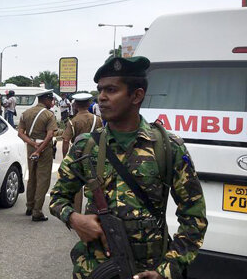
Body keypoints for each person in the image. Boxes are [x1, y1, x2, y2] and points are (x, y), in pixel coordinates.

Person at [49, 56, 207, 279]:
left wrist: (167, 270)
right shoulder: (86, 146)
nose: (101, 98)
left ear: (136, 95)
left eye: (111, 90)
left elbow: (194, 217)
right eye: (100, 90)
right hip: (95, 269)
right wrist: (75, 219)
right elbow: (57, 197)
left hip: (150, 269)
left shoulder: (168, 147)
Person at [17, 91, 58, 222]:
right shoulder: (48, 114)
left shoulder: (26, 113)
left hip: (31, 146)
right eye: (51, 99)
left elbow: (20, 133)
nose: (52, 102)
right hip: (44, 148)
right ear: (45, 99)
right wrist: (39, 150)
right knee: (43, 179)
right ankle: (37, 211)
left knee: (32, 176)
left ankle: (29, 206)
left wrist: (32, 144)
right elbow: (50, 135)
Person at [61, 92, 103, 213]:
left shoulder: (73, 121)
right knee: (95, 185)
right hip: (94, 156)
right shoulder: (98, 119)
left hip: (77, 156)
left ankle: (77, 213)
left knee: (77, 187)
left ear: (75, 105)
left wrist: (65, 158)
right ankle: (94, 212)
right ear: (89, 103)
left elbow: (65, 140)